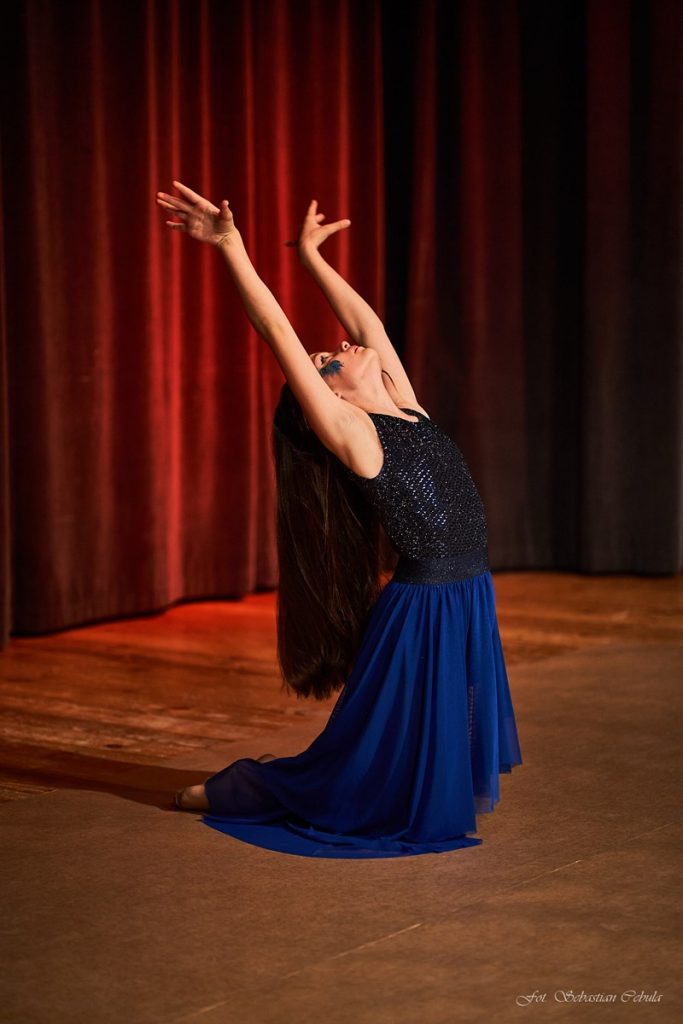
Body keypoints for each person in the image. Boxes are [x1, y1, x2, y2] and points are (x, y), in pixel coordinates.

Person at [155, 181, 522, 858]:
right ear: (328, 400)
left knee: (400, 740)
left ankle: (275, 791)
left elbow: (368, 327)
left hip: (468, 591)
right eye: (325, 364)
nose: (336, 349)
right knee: (366, 753)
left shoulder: (404, 406)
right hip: (426, 606)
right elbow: (277, 331)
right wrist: (231, 246)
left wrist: (312, 261)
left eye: (330, 353)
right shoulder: (356, 436)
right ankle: (249, 792)